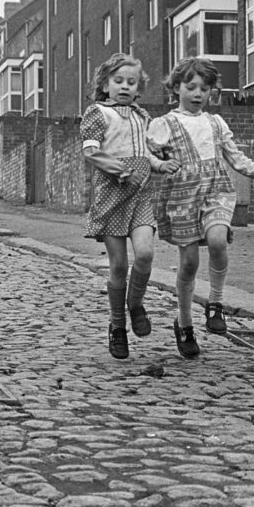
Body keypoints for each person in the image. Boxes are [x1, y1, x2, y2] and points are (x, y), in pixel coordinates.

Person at [148, 58, 254, 359]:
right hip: (183, 196)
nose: (198, 94)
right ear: (175, 88)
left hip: (216, 190)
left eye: (205, 88)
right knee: (188, 264)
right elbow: (145, 157)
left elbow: (237, 159)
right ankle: (184, 324)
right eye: (191, 87)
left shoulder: (215, 122)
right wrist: (159, 164)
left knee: (217, 241)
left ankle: (216, 303)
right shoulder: (163, 125)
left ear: (212, 91)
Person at [80, 53, 180, 360]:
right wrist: (123, 172)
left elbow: (143, 153)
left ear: (139, 87)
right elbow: (91, 152)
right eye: (118, 81)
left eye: (131, 82)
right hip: (112, 195)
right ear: (105, 83)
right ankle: (118, 325)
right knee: (119, 266)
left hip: (139, 197)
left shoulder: (142, 117)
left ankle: (135, 304)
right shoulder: (97, 113)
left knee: (146, 254)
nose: (124, 87)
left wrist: (160, 166)